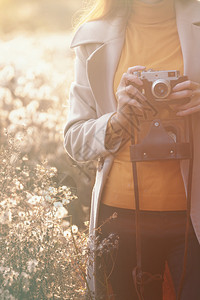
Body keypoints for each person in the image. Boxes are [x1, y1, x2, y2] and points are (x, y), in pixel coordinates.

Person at [64, 0, 200, 299]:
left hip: (193, 218)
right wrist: (118, 120)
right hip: (121, 219)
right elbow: (74, 139)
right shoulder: (93, 38)